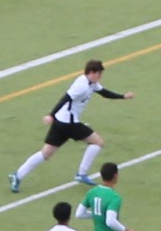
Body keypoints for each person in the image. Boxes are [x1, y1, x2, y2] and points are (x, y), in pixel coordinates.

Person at [8, 59, 133, 192]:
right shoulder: (81, 85)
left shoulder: (91, 83)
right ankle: (81, 173)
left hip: (60, 122)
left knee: (46, 153)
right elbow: (65, 98)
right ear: (91, 72)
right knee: (98, 142)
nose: (100, 77)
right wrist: (51, 114)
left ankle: (17, 175)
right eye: (99, 74)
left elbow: (104, 92)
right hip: (69, 124)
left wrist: (122, 96)